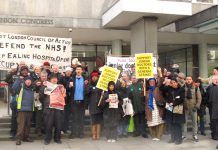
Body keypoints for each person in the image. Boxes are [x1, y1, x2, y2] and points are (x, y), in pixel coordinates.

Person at [40, 74, 66, 145]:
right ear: (50, 80)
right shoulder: (47, 86)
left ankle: (57, 138)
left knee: (58, 124)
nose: (54, 80)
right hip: (49, 108)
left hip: (58, 108)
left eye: (55, 78)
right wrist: (46, 103)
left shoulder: (60, 87)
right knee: (48, 124)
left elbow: (64, 97)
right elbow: (42, 97)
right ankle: (47, 139)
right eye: (53, 78)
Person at [161, 77, 185, 145]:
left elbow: (181, 99)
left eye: (174, 82)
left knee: (177, 124)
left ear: (177, 83)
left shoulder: (181, 89)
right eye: (172, 83)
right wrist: (164, 83)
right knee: (171, 123)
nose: (173, 84)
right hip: (169, 106)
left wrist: (173, 103)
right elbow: (161, 89)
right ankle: (173, 138)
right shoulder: (169, 88)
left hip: (178, 106)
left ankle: (179, 139)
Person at [12, 75, 34, 145]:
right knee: (21, 125)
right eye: (27, 80)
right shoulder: (20, 88)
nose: (28, 81)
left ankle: (26, 137)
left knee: (28, 125)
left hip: (30, 109)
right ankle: (18, 139)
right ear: (24, 81)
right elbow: (14, 88)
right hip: (22, 110)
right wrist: (18, 80)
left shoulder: (32, 89)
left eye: (29, 80)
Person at [69, 65, 88, 139]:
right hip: (74, 101)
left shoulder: (85, 79)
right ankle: (73, 133)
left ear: (82, 71)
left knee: (81, 118)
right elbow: (68, 89)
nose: (78, 70)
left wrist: (86, 86)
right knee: (74, 118)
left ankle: (81, 133)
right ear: (75, 71)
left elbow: (87, 90)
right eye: (77, 69)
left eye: (80, 69)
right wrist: (69, 87)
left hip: (82, 101)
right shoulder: (72, 78)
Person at [145, 75, 165, 141]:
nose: (152, 83)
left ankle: (159, 136)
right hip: (149, 109)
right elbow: (142, 98)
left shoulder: (157, 88)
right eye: (150, 82)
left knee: (159, 122)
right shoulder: (146, 91)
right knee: (151, 123)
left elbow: (161, 81)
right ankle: (154, 135)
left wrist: (160, 73)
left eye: (153, 81)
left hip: (157, 108)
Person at [183, 76, 202, 142]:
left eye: (190, 79)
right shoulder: (183, 87)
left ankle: (194, 135)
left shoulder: (196, 87)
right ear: (185, 80)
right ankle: (184, 135)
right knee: (184, 122)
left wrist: (196, 106)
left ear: (192, 80)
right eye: (187, 79)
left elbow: (199, 98)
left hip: (193, 108)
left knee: (194, 123)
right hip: (185, 108)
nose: (188, 80)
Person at [88, 71, 103, 140]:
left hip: (99, 105)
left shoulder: (101, 86)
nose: (94, 78)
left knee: (98, 121)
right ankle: (93, 134)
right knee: (93, 121)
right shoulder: (89, 85)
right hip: (92, 105)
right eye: (93, 77)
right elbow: (86, 93)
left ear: (98, 77)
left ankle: (98, 134)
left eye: (96, 77)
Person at [33, 71, 48, 136]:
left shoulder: (49, 82)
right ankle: (38, 130)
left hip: (46, 102)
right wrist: (36, 85)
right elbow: (32, 89)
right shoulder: (36, 81)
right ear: (40, 76)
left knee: (46, 116)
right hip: (38, 101)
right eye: (43, 76)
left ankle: (44, 129)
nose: (44, 77)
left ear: (47, 77)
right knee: (38, 116)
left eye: (45, 76)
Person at [60, 67, 73, 133]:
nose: (68, 72)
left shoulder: (71, 78)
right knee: (62, 114)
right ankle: (61, 129)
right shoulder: (62, 78)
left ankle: (66, 128)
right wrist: (68, 87)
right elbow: (61, 87)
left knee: (67, 115)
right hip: (63, 98)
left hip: (69, 99)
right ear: (65, 72)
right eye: (67, 71)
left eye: (69, 71)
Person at [206, 75, 218, 140]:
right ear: (212, 80)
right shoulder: (209, 88)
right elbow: (207, 98)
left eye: (217, 79)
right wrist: (209, 106)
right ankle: (214, 135)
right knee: (213, 122)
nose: (216, 80)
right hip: (212, 108)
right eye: (215, 79)